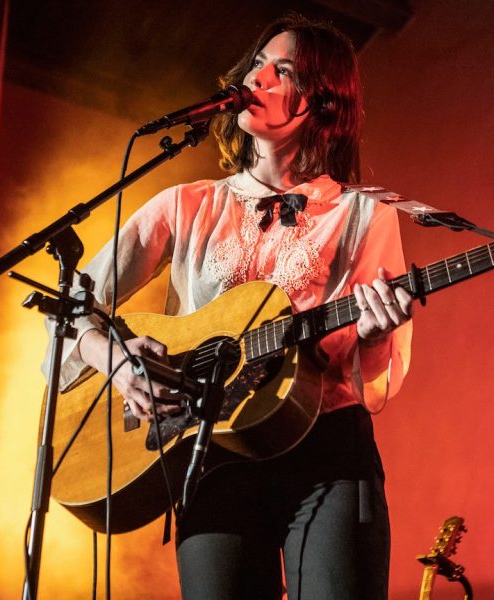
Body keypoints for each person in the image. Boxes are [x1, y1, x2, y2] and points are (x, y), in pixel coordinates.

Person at [46, 13, 413, 600]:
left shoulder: (367, 214)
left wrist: (373, 333)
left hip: (327, 450)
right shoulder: (185, 205)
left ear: (323, 103)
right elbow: (73, 304)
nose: (258, 76)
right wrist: (116, 360)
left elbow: (369, 375)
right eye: (257, 63)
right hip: (210, 451)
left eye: (283, 70)